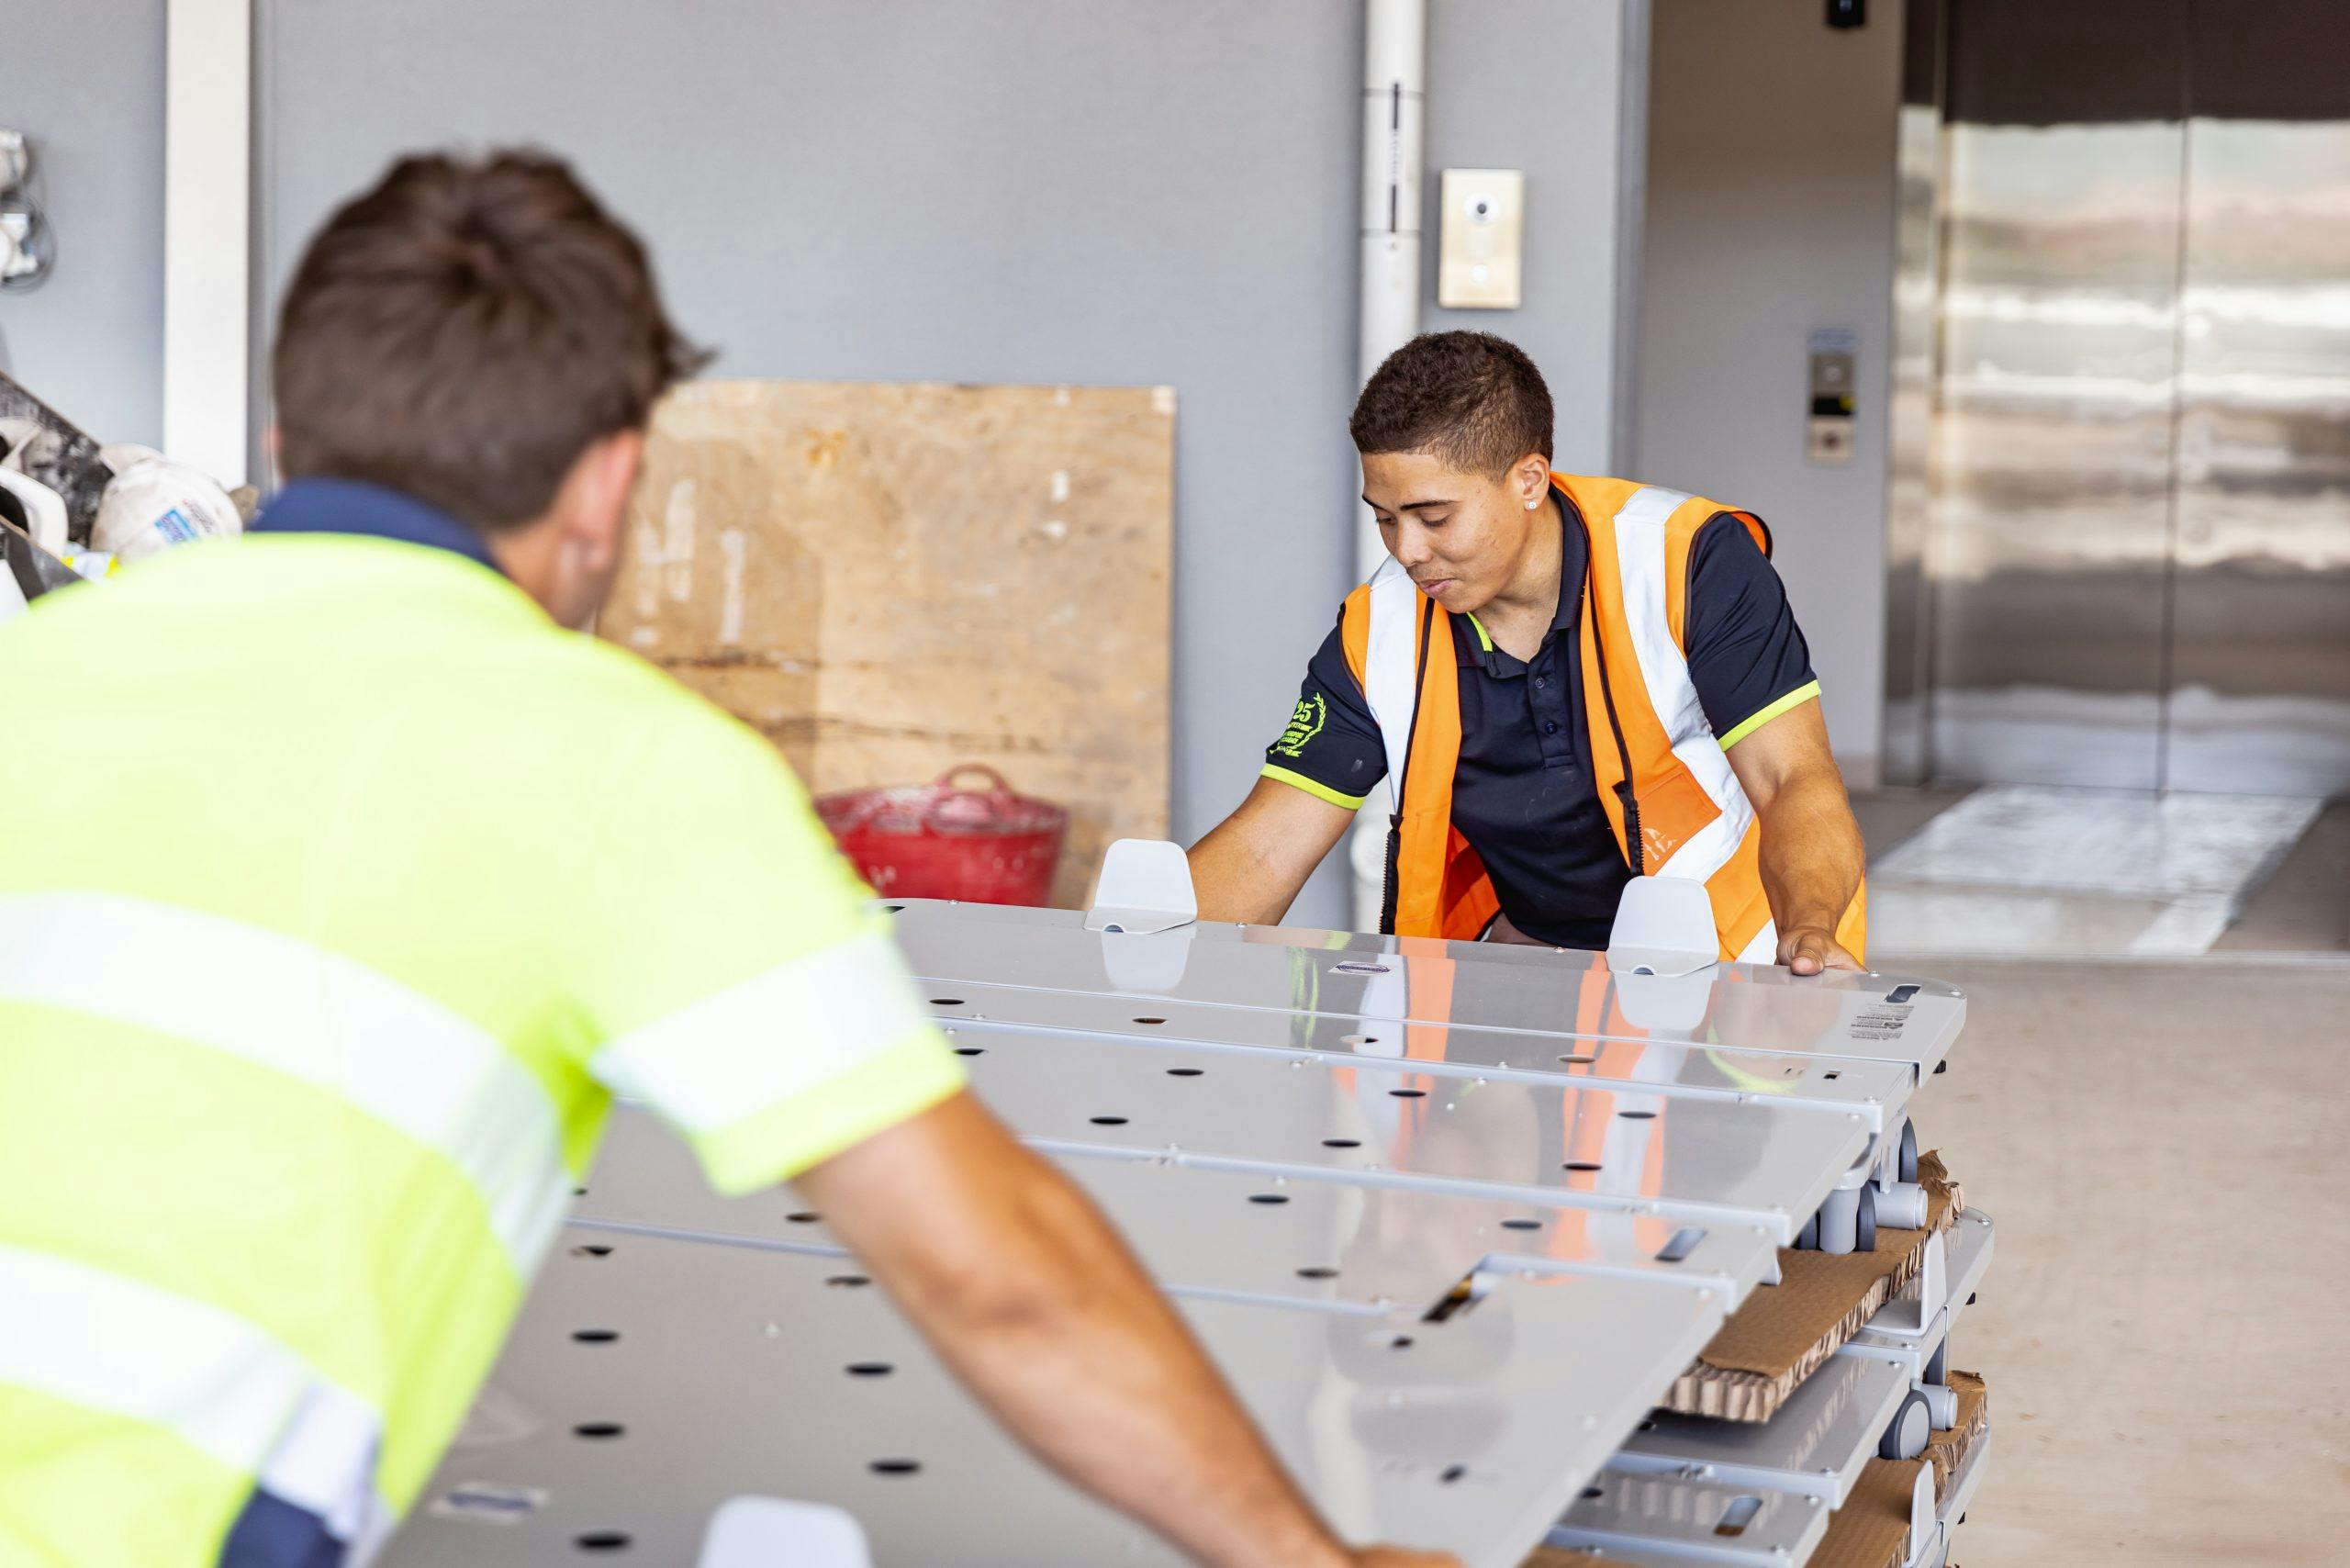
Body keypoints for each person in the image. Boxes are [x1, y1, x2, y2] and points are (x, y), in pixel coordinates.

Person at [0, 151, 1452, 1568]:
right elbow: (989, 1272)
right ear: (606, 484)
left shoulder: (42, 662)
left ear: (281, 442)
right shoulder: (615, 761)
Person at [1191, 331, 1867, 971]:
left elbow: (1792, 782)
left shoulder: (1688, 562)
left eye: (1434, 517)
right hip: (1532, 956)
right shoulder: (1381, 627)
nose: (1406, 551)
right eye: (1385, 517)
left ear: (1529, 480)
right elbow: (1268, 843)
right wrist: (1126, 957)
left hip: (1730, 961)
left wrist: (1809, 929)